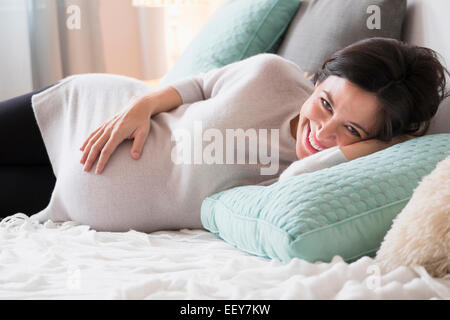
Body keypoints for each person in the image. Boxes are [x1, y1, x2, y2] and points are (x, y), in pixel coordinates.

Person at [0, 37, 448, 232]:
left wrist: (380, 146)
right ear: (318, 78)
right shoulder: (271, 74)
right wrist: (141, 106)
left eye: (351, 129)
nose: (322, 131)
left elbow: (289, 189)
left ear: (378, 141)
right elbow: (198, 84)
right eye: (326, 103)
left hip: (60, 198)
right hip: (85, 107)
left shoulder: (313, 176)